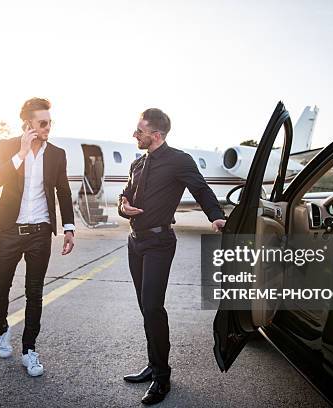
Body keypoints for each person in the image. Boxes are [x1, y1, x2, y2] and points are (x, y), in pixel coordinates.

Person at [118, 108, 226, 404]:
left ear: (156, 135)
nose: (133, 135)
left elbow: (201, 190)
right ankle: (154, 365)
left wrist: (216, 217)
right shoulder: (137, 163)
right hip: (135, 242)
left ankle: (162, 378)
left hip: (159, 242)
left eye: (138, 131)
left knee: (153, 307)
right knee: (145, 307)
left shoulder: (180, 160)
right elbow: (124, 195)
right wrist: (122, 207)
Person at [0, 97, 75, 377]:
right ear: (29, 124)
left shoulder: (57, 154)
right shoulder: (7, 146)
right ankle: (1, 330)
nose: (49, 127)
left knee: (35, 293)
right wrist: (21, 154)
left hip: (40, 232)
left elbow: (63, 191)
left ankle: (29, 350)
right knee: (0, 287)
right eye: (43, 122)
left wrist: (69, 227)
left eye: (50, 122)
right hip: (11, 230)